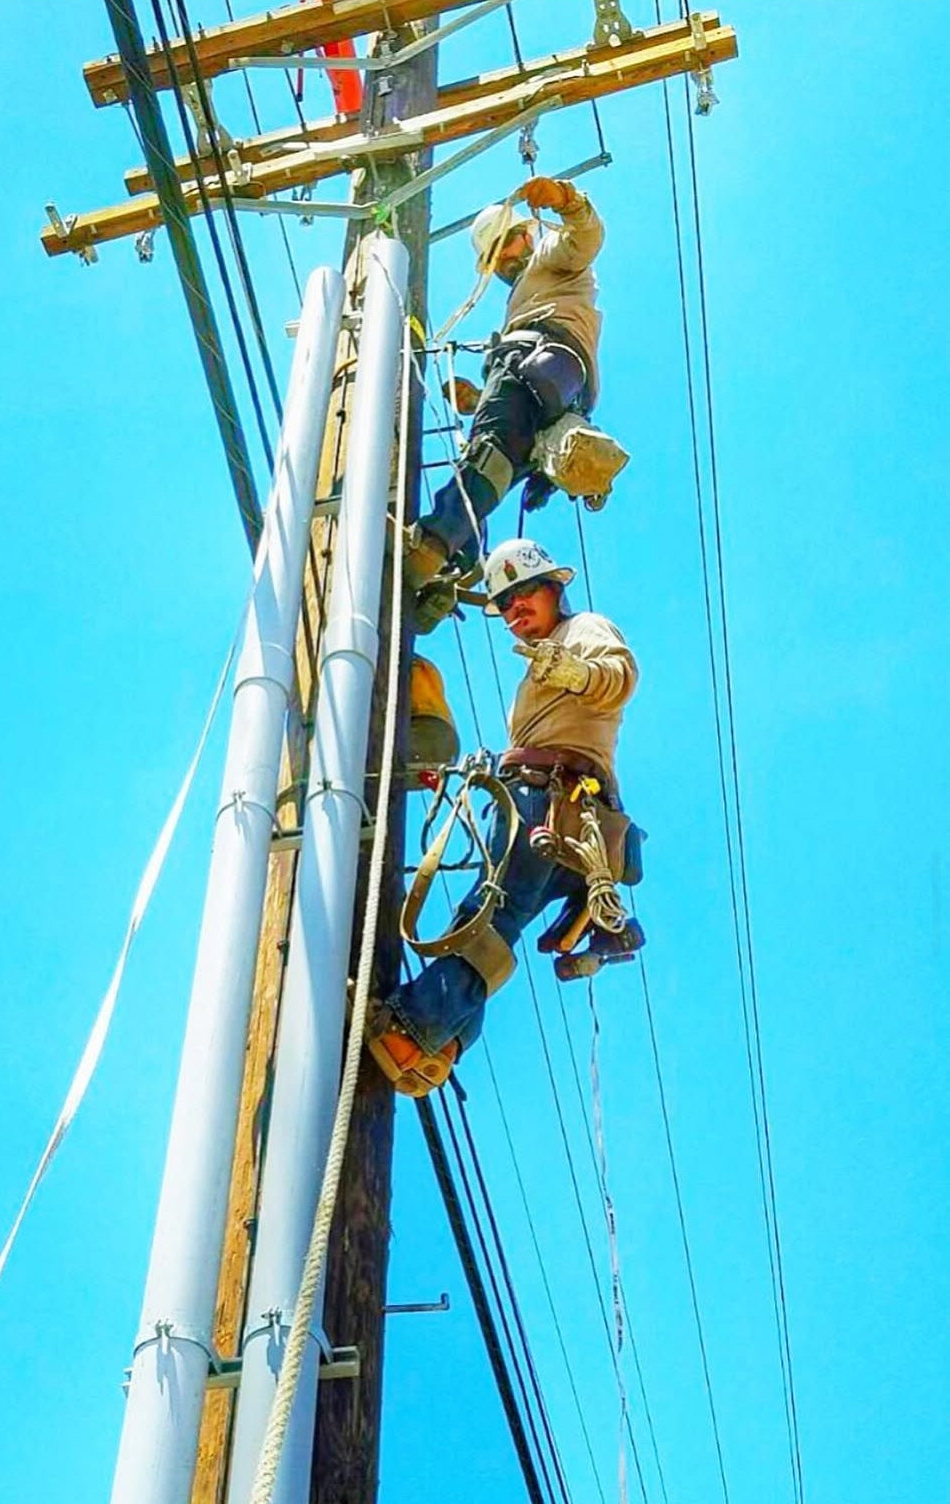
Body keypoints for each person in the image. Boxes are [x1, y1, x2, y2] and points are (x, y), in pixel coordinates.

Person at [370, 536, 639, 1097]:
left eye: (525, 595)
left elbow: (619, 676)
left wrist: (576, 673)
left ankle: (412, 1031)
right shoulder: (538, 664)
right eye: (505, 604)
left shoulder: (582, 630)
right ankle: (445, 1043)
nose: (515, 610)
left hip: (553, 797)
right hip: (549, 800)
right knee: (494, 923)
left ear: (554, 588)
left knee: (488, 918)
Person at [405, 177, 606, 621]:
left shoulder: (551, 255)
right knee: (491, 472)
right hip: (554, 392)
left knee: (486, 456)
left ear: (526, 235)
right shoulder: (529, 291)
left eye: (505, 246)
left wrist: (566, 199)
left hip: (539, 362)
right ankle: (454, 566)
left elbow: (587, 237)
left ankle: (431, 546)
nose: (503, 261)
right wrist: (478, 399)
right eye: (494, 258)